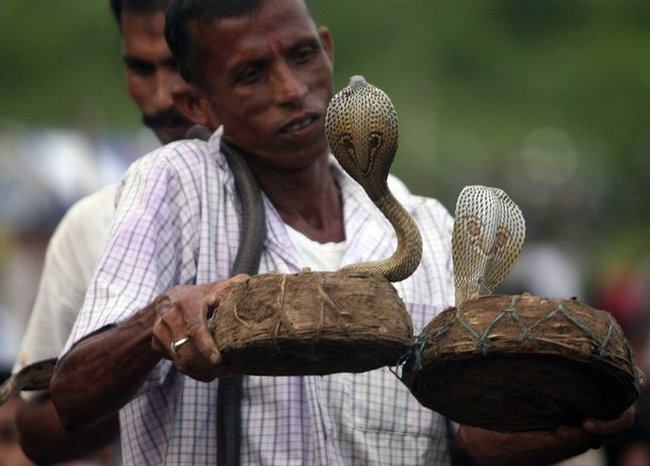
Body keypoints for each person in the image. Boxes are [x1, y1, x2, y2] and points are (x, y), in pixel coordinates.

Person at [50, 0, 635, 465]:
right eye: (252, 72)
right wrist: (161, 322)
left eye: (302, 55)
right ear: (196, 103)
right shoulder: (173, 183)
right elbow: (72, 398)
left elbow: (467, 442)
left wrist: (567, 428)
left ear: (327, 48)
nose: (290, 89)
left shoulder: (430, 226)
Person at [8, 0, 194, 463]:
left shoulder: (369, 211)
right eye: (140, 68)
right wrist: (135, 366)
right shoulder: (92, 226)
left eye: (178, 66)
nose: (159, 98)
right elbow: (34, 428)